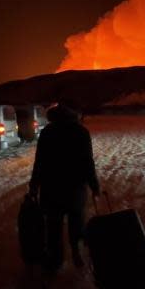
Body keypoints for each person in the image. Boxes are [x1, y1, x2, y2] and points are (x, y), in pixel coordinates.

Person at [29, 103, 100, 274]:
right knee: (76, 221)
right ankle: (75, 250)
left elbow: (40, 162)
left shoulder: (47, 132)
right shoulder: (81, 132)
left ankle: (56, 260)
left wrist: (34, 185)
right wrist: (94, 185)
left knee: (54, 226)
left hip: (51, 187)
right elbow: (87, 162)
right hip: (75, 187)